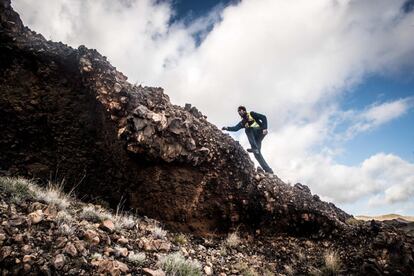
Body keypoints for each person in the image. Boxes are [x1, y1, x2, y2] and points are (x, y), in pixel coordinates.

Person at [222, 106, 274, 174]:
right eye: (238, 112)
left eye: (240, 111)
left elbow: (263, 117)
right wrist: (227, 128)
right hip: (257, 139)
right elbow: (235, 128)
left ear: (244, 110)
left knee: (248, 129)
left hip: (260, 131)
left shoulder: (251, 114)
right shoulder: (243, 122)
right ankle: (268, 170)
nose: (239, 112)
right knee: (257, 154)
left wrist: (265, 128)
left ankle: (254, 148)